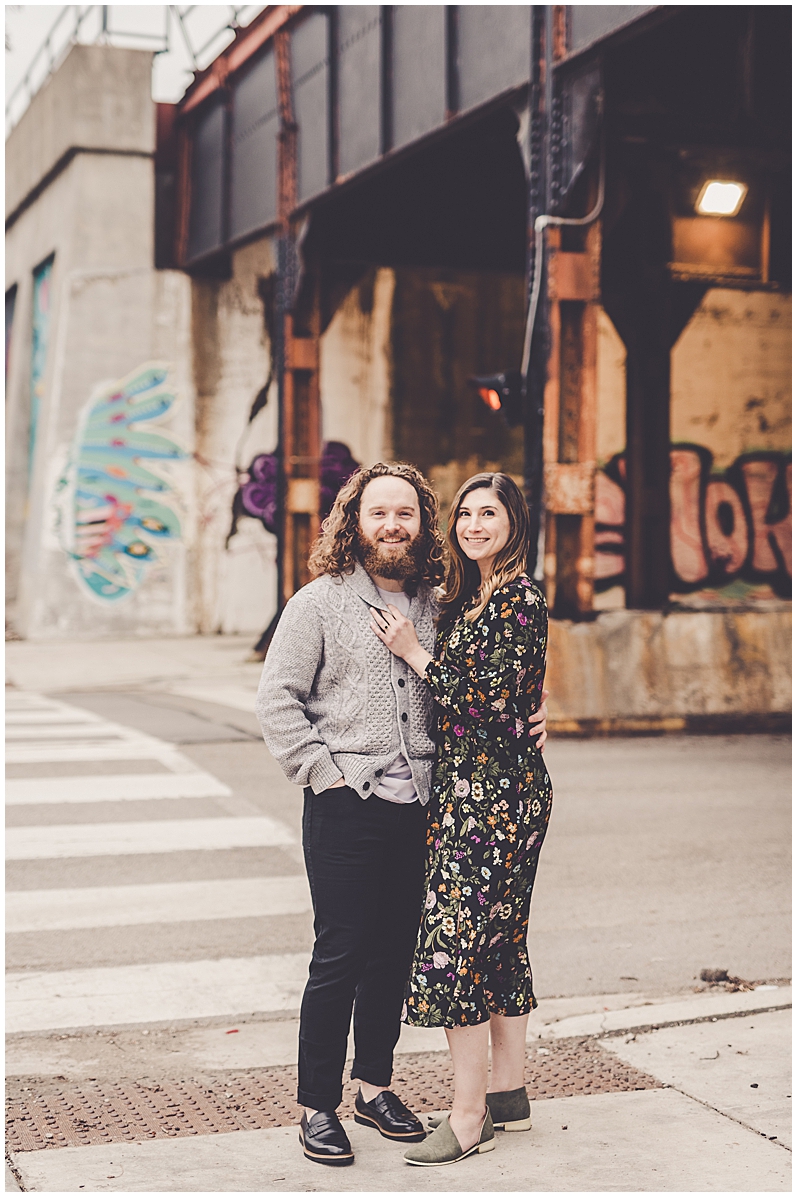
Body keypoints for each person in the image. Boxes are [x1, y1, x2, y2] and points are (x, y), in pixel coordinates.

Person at [256, 462, 444, 1166]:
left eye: (406, 513)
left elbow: (466, 685)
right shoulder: (319, 602)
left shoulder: (435, 602)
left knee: (394, 954)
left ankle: (373, 1087)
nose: (393, 524)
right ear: (355, 522)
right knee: (339, 954)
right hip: (345, 806)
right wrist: (325, 776)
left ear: (422, 522)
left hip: (417, 809)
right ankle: (316, 1106)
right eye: (379, 513)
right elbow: (277, 699)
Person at [369, 471, 553, 1168]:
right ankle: (509, 1093)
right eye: (468, 513)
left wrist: (414, 652)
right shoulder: (476, 598)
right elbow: (518, 692)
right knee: (498, 941)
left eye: (490, 513)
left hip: (496, 799)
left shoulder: (518, 598)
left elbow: (478, 700)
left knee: (454, 949)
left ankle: (468, 1114)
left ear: (514, 523)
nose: (475, 524)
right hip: (480, 790)